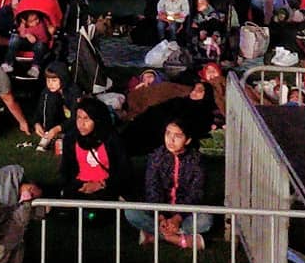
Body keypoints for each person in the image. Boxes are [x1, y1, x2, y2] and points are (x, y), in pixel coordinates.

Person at [124, 117, 210, 249]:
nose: (171, 140)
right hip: (158, 213)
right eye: (168, 133)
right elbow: (152, 189)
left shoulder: (196, 161)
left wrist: (177, 218)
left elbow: (196, 194)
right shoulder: (156, 157)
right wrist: (161, 217)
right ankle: (179, 239)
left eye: (177, 136)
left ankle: (156, 235)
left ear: (188, 140)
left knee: (205, 220)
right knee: (131, 212)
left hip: (185, 215)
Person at [59, 97, 131, 201]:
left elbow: (124, 170)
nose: (81, 124)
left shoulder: (111, 139)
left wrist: (101, 184)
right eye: (79, 118)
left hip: (107, 187)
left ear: (97, 120)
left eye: (86, 119)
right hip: (79, 187)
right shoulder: (71, 139)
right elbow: (66, 170)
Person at [32, 61, 77, 152]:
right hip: (59, 120)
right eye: (48, 80)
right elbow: (40, 110)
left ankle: (63, 135)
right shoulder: (47, 92)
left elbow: (76, 117)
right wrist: (36, 123)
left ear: (63, 79)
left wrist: (58, 128)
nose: (50, 84)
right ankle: (47, 134)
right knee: (50, 98)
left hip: (73, 122)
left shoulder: (74, 92)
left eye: (54, 80)